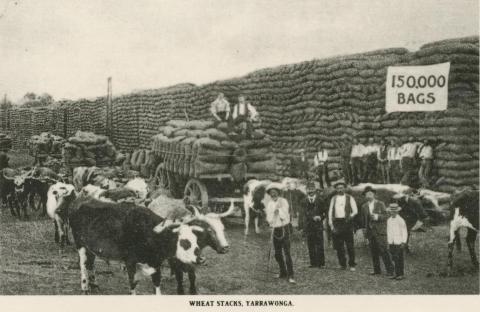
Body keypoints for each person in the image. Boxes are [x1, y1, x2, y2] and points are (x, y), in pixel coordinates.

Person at [265, 183, 296, 284]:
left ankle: (291, 275)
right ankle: (283, 272)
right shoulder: (269, 204)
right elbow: (268, 217)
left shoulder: (283, 201)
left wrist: (279, 210)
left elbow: (286, 214)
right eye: (271, 193)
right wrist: (272, 218)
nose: (273, 194)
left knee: (287, 252)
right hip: (275, 229)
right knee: (277, 254)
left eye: (275, 192)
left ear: (278, 193)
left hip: (284, 228)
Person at [361, 186, 394, 276]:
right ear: (365, 196)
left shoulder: (380, 204)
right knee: (373, 252)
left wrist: (377, 217)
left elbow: (386, 216)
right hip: (370, 232)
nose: (369, 195)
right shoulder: (364, 206)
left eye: (371, 193)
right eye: (367, 193)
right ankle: (377, 270)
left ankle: (390, 271)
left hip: (380, 231)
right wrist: (366, 234)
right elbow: (365, 221)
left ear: (374, 195)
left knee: (384, 251)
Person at [328, 181, 358, 271]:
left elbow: (355, 210)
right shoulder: (334, 198)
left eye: (341, 188)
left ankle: (352, 264)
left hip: (347, 222)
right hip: (337, 222)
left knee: (350, 245)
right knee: (339, 245)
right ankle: (342, 264)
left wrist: (350, 217)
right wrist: (331, 223)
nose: (340, 189)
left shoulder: (350, 197)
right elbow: (330, 211)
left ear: (344, 188)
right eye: (338, 188)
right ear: (336, 189)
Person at [298, 182, 328, 268]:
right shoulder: (303, 201)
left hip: (318, 225)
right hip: (308, 225)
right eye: (308, 189)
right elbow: (303, 213)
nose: (310, 191)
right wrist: (310, 219)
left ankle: (321, 263)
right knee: (310, 244)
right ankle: (313, 262)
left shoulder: (320, 200)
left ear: (315, 190)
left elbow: (325, 212)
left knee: (319, 243)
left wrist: (320, 217)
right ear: (306, 190)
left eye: (312, 189)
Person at [386, 203, 408, 280]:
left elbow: (404, 231)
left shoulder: (401, 220)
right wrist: (388, 242)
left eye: (394, 211)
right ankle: (396, 273)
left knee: (399, 258)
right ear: (389, 212)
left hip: (399, 242)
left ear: (397, 212)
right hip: (392, 242)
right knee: (394, 258)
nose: (393, 213)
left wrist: (403, 242)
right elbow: (388, 231)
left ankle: (400, 274)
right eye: (391, 211)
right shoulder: (389, 220)